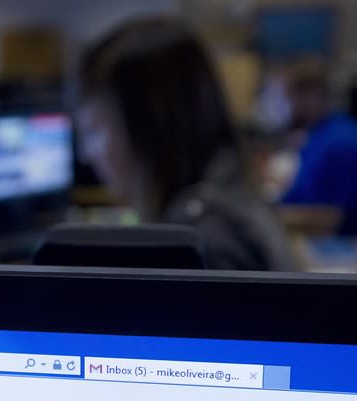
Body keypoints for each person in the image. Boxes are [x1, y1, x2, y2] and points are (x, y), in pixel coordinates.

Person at [77, 18, 296, 271]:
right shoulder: (226, 203)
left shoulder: (201, 243)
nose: (87, 155)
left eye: (96, 130)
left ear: (150, 129)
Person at [281, 61, 357, 235]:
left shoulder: (341, 141)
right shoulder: (319, 133)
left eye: (293, 94)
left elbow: (334, 217)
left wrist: (268, 219)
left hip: (332, 248)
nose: (290, 102)